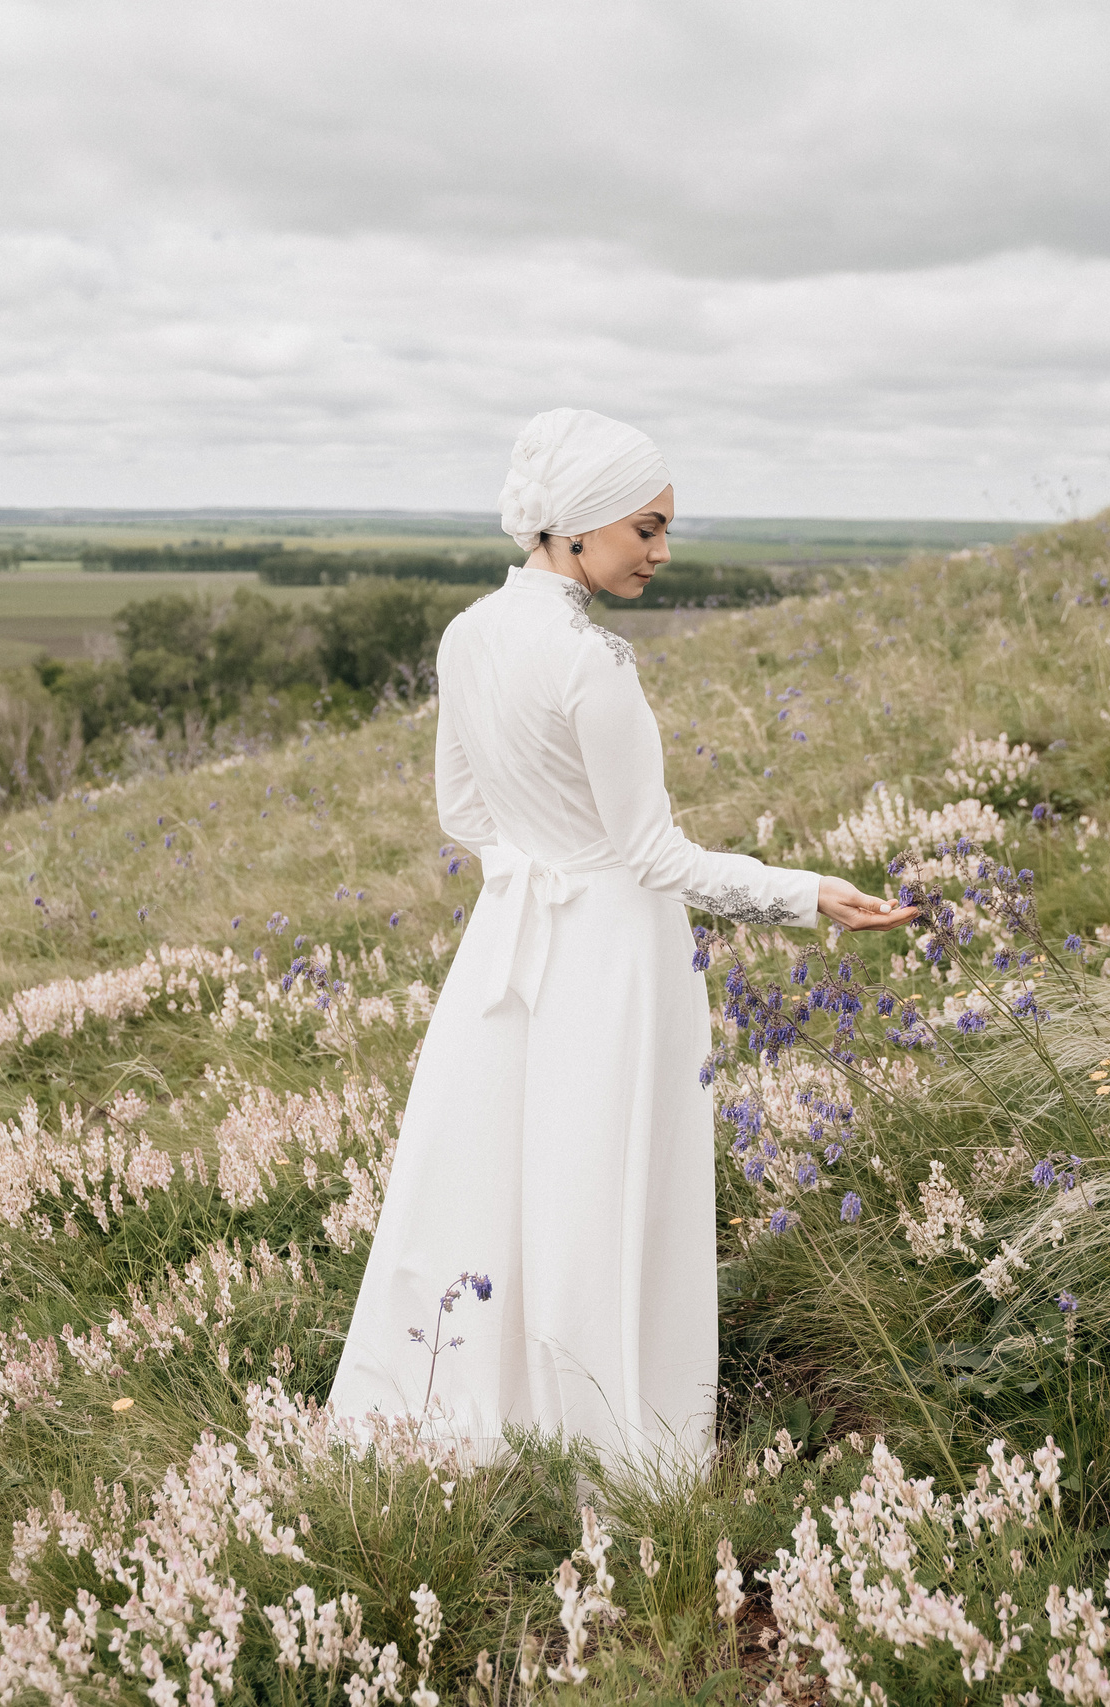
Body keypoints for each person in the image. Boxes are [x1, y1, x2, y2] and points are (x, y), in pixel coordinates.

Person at [325, 408, 917, 1474]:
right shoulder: (590, 661)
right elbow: (654, 856)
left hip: (507, 944)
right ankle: (610, 1440)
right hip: (611, 955)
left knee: (493, 1173)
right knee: (602, 1182)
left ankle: (457, 1420)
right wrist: (804, 892)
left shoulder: (468, 634)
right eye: (645, 527)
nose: (659, 551)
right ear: (581, 523)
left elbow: (463, 814)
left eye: (663, 529)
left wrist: (528, 873)